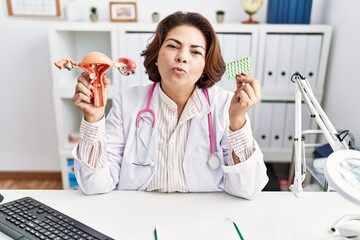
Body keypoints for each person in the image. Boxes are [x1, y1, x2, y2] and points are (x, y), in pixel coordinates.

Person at [72, 11, 268, 199]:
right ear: (156, 57)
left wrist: (237, 121)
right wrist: (93, 119)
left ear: (204, 67)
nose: (182, 56)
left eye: (195, 52)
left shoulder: (225, 104)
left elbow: (247, 189)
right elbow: (94, 186)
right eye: (173, 46)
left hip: (204, 217)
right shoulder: (127, 102)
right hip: (137, 214)